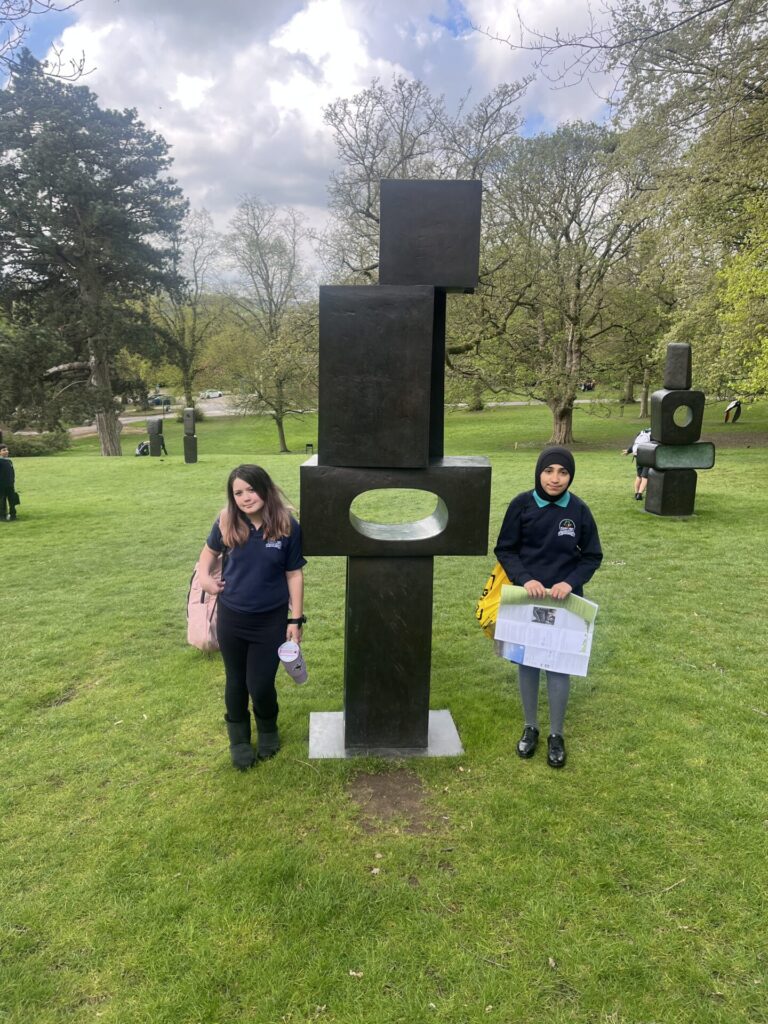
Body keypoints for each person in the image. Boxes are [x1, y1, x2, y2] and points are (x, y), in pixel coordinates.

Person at [494, 446, 603, 768]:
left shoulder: (578, 510)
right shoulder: (522, 505)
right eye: (549, 471)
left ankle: (556, 734)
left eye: (563, 472)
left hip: (565, 601)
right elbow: (505, 549)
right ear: (538, 472)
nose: (555, 479)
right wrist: (525, 579)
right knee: (527, 662)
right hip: (527, 599)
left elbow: (592, 556)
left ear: (571, 476)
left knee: (558, 666)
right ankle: (531, 727)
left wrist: (569, 582)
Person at [197, 464, 306, 771]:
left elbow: (294, 574)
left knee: (259, 684)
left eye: (251, 489)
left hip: (270, 621)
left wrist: (295, 620)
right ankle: (239, 741)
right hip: (232, 617)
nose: (245, 498)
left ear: (265, 489)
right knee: (236, 681)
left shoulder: (286, 525)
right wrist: (205, 578)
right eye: (238, 493)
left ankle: (268, 730)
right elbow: (207, 555)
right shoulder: (227, 521)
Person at [622, 427, 652, 500]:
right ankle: (640, 494)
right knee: (645, 477)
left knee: (639, 476)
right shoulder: (653, 434)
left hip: (637, 456)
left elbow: (634, 443)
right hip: (647, 456)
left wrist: (628, 451)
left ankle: (636, 493)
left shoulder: (641, 432)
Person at [0, 445, 18, 521]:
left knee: (12, 500)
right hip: (1, 484)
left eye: (7, 450)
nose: (6, 451)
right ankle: (2, 516)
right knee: (2, 500)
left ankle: (13, 515)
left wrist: (12, 480)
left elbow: (12, 472)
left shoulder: (9, 461)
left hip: (10, 484)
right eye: (4, 450)